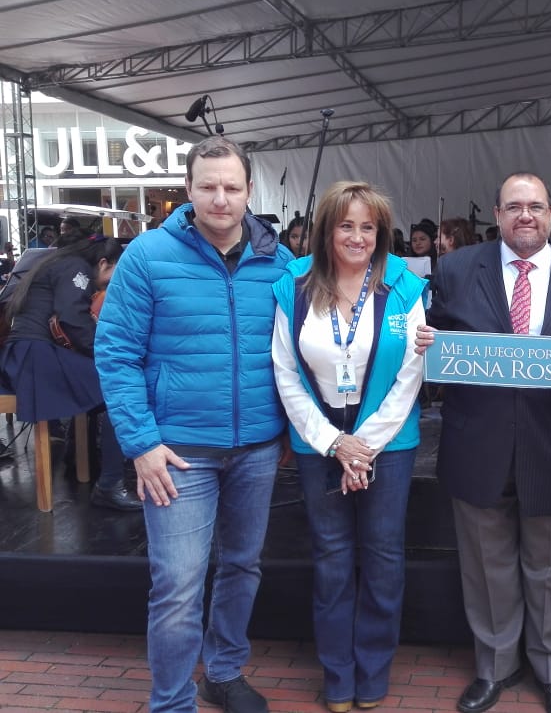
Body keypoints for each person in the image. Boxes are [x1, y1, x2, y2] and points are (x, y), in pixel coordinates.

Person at [94, 136, 293, 713]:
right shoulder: (148, 256)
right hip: (177, 453)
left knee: (241, 567)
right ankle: (172, 701)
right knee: (178, 586)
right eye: (208, 186)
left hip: (256, 448)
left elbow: (293, 351)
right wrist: (141, 443)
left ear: (250, 190)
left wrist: (285, 429)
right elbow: (115, 353)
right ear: (188, 189)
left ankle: (224, 673)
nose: (220, 199)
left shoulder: (276, 261)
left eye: (232, 187)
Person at [414, 172, 551, 713]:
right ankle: (495, 666)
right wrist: (423, 341)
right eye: (513, 207)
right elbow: (430, 341)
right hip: (476, 442)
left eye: (535, 206)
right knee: (486, 565)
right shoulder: (455, 269)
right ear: (496, 216)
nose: (525, 215)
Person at [272, 182, 426, 712]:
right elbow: (285, 371)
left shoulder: (405, 285)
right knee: (332, 559)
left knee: (383, 559)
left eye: (368, 226)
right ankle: (337, 676)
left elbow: (412, 372)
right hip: (320, 442)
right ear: (326, 229)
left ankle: (373, 672)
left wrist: (364, 447)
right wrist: (336, 444)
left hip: (389, 440)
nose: (357, 236)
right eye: (346, 225)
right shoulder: (292, 284)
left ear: (380, 233)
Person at [0, 235, 139, 510]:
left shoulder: (60, 263)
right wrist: (109, 354)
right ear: (103, 263)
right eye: (113, 274)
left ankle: (84, 463)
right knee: (120, 390)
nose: (110, 283)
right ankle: (110, 484)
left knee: (104, 387)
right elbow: (72, 320)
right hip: (36, 358)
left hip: (27, 354)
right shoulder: (76, 268)